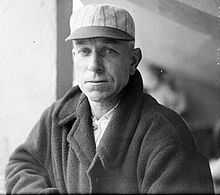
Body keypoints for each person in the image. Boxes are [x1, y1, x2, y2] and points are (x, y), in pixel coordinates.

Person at [5, 3, 214, 194]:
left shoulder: (166, 133)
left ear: (133, 61)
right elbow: (22, 165)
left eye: (108, 51)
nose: (94, 65)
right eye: (84, 51)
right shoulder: (59, 115)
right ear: (74, 57)